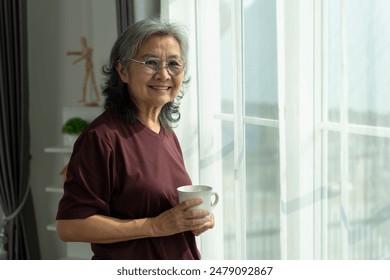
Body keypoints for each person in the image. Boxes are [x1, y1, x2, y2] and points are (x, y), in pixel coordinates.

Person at [56, 18, 215, 260]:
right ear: (122, 71)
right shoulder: (101, 138)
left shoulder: (166, 133)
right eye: (151, 62)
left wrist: (192, 219)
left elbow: (163, 210)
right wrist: (154, 226)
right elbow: (70, 226)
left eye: (174, 63)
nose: (163, 74)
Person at [66, 36, 100, 106]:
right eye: (81, 42)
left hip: (90, 66)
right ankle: (83, 98)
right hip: (87, 66)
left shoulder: (89, 49)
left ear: (85, 41)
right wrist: (70, 53)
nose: (82, 43)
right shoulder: (84, 49)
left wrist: (76, 61)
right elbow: (79, 53)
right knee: (84, 83)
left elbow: (83, 56)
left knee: (93, 82)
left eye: (83, 41)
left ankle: (97, 97)